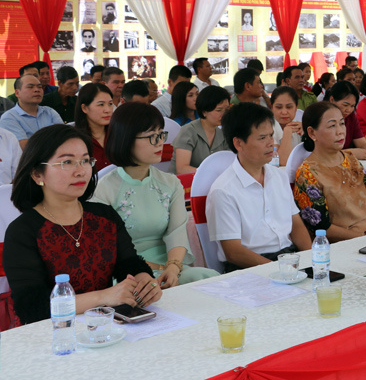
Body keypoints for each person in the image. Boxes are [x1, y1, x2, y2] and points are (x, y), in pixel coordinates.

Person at [3, 125, 160, 325]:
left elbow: (128, 262)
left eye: (85, 160)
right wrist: (102, 297)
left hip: (105, 326)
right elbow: (32, 307)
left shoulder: (104, 216)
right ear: (37, 174)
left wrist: (144, 280)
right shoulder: (23, 231)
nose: (81, 171)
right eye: (67, 162)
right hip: (55, 333)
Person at [94, 103, 218, 287]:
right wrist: (156, 269)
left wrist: (173, 267)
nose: (160, 142)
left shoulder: (169, 183)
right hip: (127, 272)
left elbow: (177, 231)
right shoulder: (104, 189)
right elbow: (106, 250)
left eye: (161, 134)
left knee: (209, 277)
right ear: (126, 139)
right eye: (151, 136)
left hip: (171, 265)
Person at [207, 103, 312, 272]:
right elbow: (233, 252)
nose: (271, 143)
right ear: (239, 144)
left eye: (271, 136)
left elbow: (296, 225)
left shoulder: (279, 176)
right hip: (249, 267)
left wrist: (311, 259)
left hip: (289, 258)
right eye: (262, 138)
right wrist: (280, 270)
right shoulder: (223, 190)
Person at [294, 102, 366, 240]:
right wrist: (362, 238)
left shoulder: (350, 159)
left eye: (342, 123)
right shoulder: (307, 174)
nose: (340, 131)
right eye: (332, 125)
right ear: (312, 133)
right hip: (341, 244)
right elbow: (321, 228)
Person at [172, 86, 231, 174]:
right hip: (183, 184)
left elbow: (228, 162)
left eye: (226, 110)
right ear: (204, 112)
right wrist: (212, 173)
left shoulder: (224, 133)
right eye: (219, 110)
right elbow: (182, 169)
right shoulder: (188, 131)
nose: (224, 114)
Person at [0, 76, 62, 150]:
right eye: (30, 87)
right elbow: (26, 148)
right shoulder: (9, 117)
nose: (37, 90)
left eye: (39, 87)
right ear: (17, 93)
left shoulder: (50, 112)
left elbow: (64, 138)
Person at [326, 81, 366, 160]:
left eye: (352, 106)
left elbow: (361, 143)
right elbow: (324, 153)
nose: (348, 110)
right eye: (345, 105)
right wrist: (350, 153)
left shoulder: (351, 117)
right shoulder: (322, 118)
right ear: (332, 100)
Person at [74, 83, 114, 171]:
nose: (107, 110)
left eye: (110, 104)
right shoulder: (75, 139)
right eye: (101, 105)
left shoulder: (119, 133)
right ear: (84, 108)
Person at [271, 86, 303, 166]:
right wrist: (287, 132)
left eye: (289, 107)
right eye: (279, 107)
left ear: (296, 107)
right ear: (272, 107)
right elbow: (282, 162)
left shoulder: (300, 126)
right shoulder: (267, 129)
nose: (284, 112)